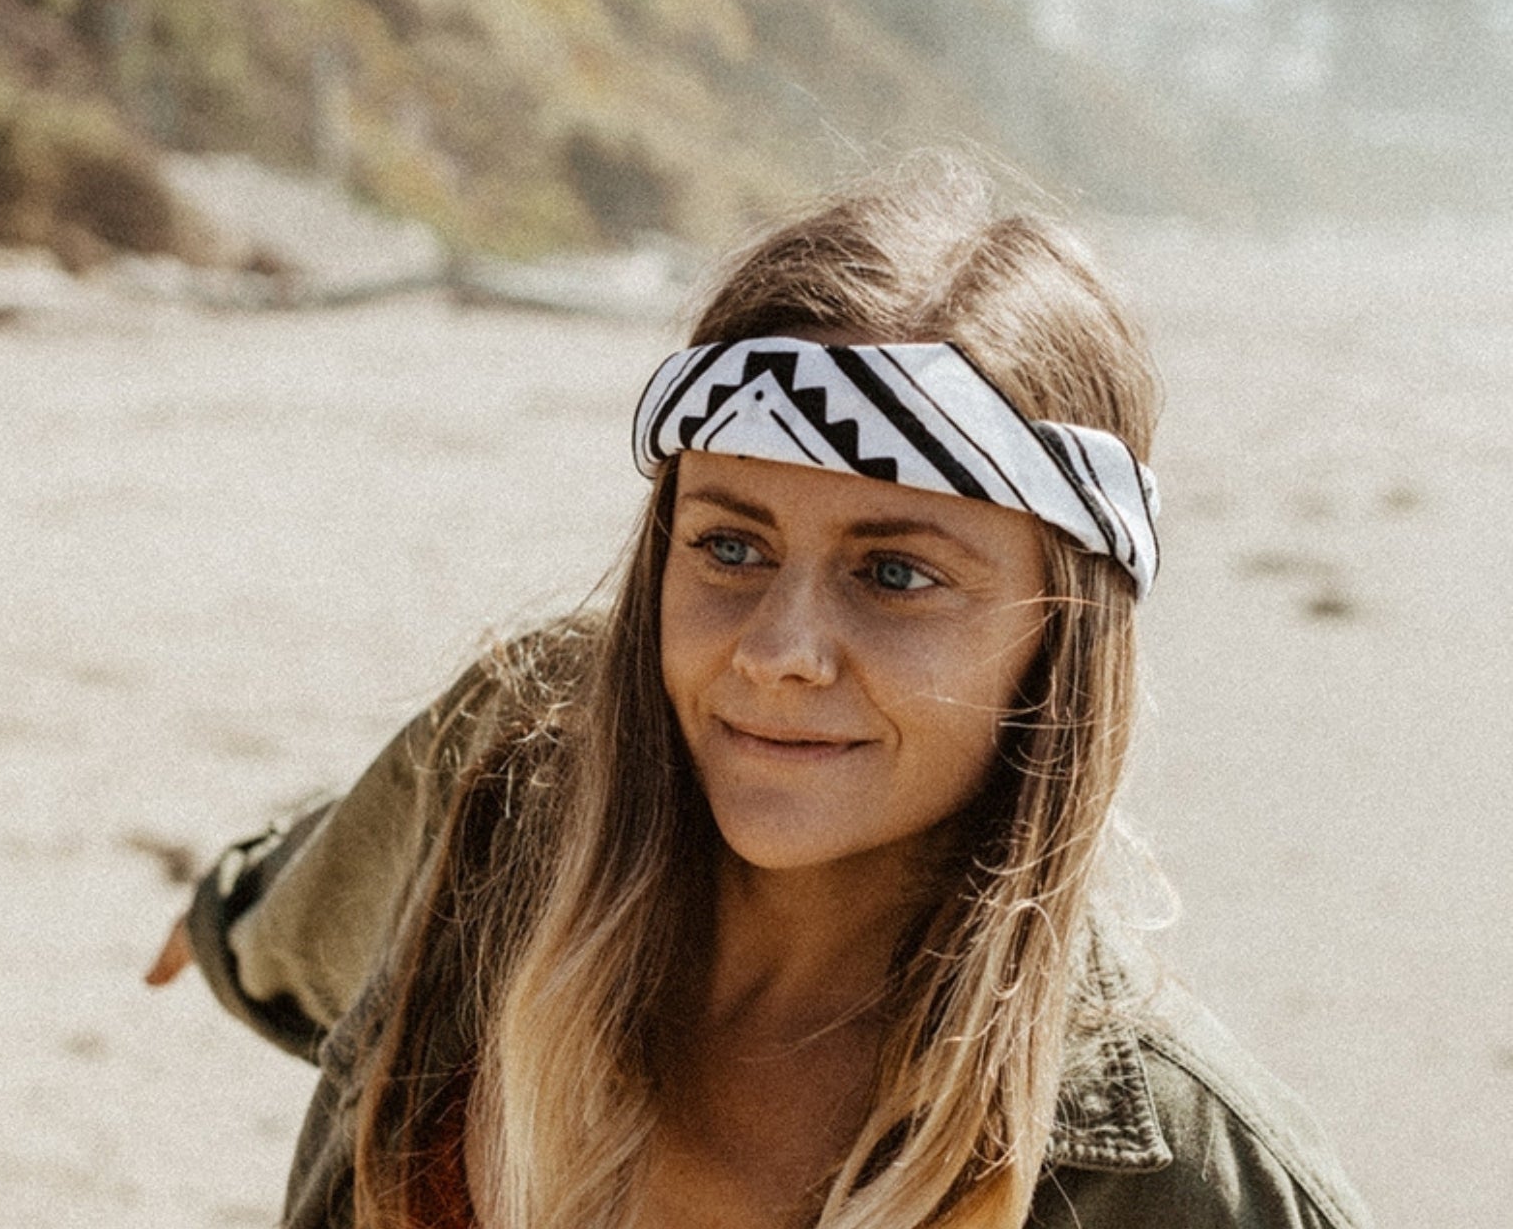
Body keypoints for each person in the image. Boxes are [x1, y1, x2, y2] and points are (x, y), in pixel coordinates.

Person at [149, 165, 1372, 1229]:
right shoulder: (515, 775)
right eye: (730, 546)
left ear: (1059, 639)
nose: (781, 650)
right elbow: (303, 915)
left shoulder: (1192, 1180)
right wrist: (215, 915)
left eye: (896, 574)